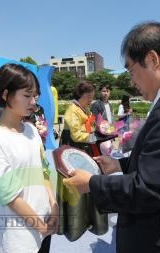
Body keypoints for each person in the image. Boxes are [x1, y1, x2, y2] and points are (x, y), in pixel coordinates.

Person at [63, 21, 160, 253]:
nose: (131, 80)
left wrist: (92, 184)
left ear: (152, 59)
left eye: (130, 70)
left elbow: (150, 189)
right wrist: (120, 164)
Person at [0, 63, 58, 253]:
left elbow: (43, 170)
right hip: (17, 238)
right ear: (6, 95)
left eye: (35, 96)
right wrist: (40, 226)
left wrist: (53, 205)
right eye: (27, 95)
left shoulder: (31, 130)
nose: (33, 102)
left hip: (44, 223)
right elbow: (11, 197)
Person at [57, 81, 108, 241]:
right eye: (88, 97)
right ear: (80, 95)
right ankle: (76, 224)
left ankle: (88, 219)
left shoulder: (82, 108)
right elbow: (76, 135)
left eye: (92, 97)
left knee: (87, 181)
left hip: (82, 148)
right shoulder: (72, 110)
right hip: (72, 150)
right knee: (76, 183)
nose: (91, 100)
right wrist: (95, 136)